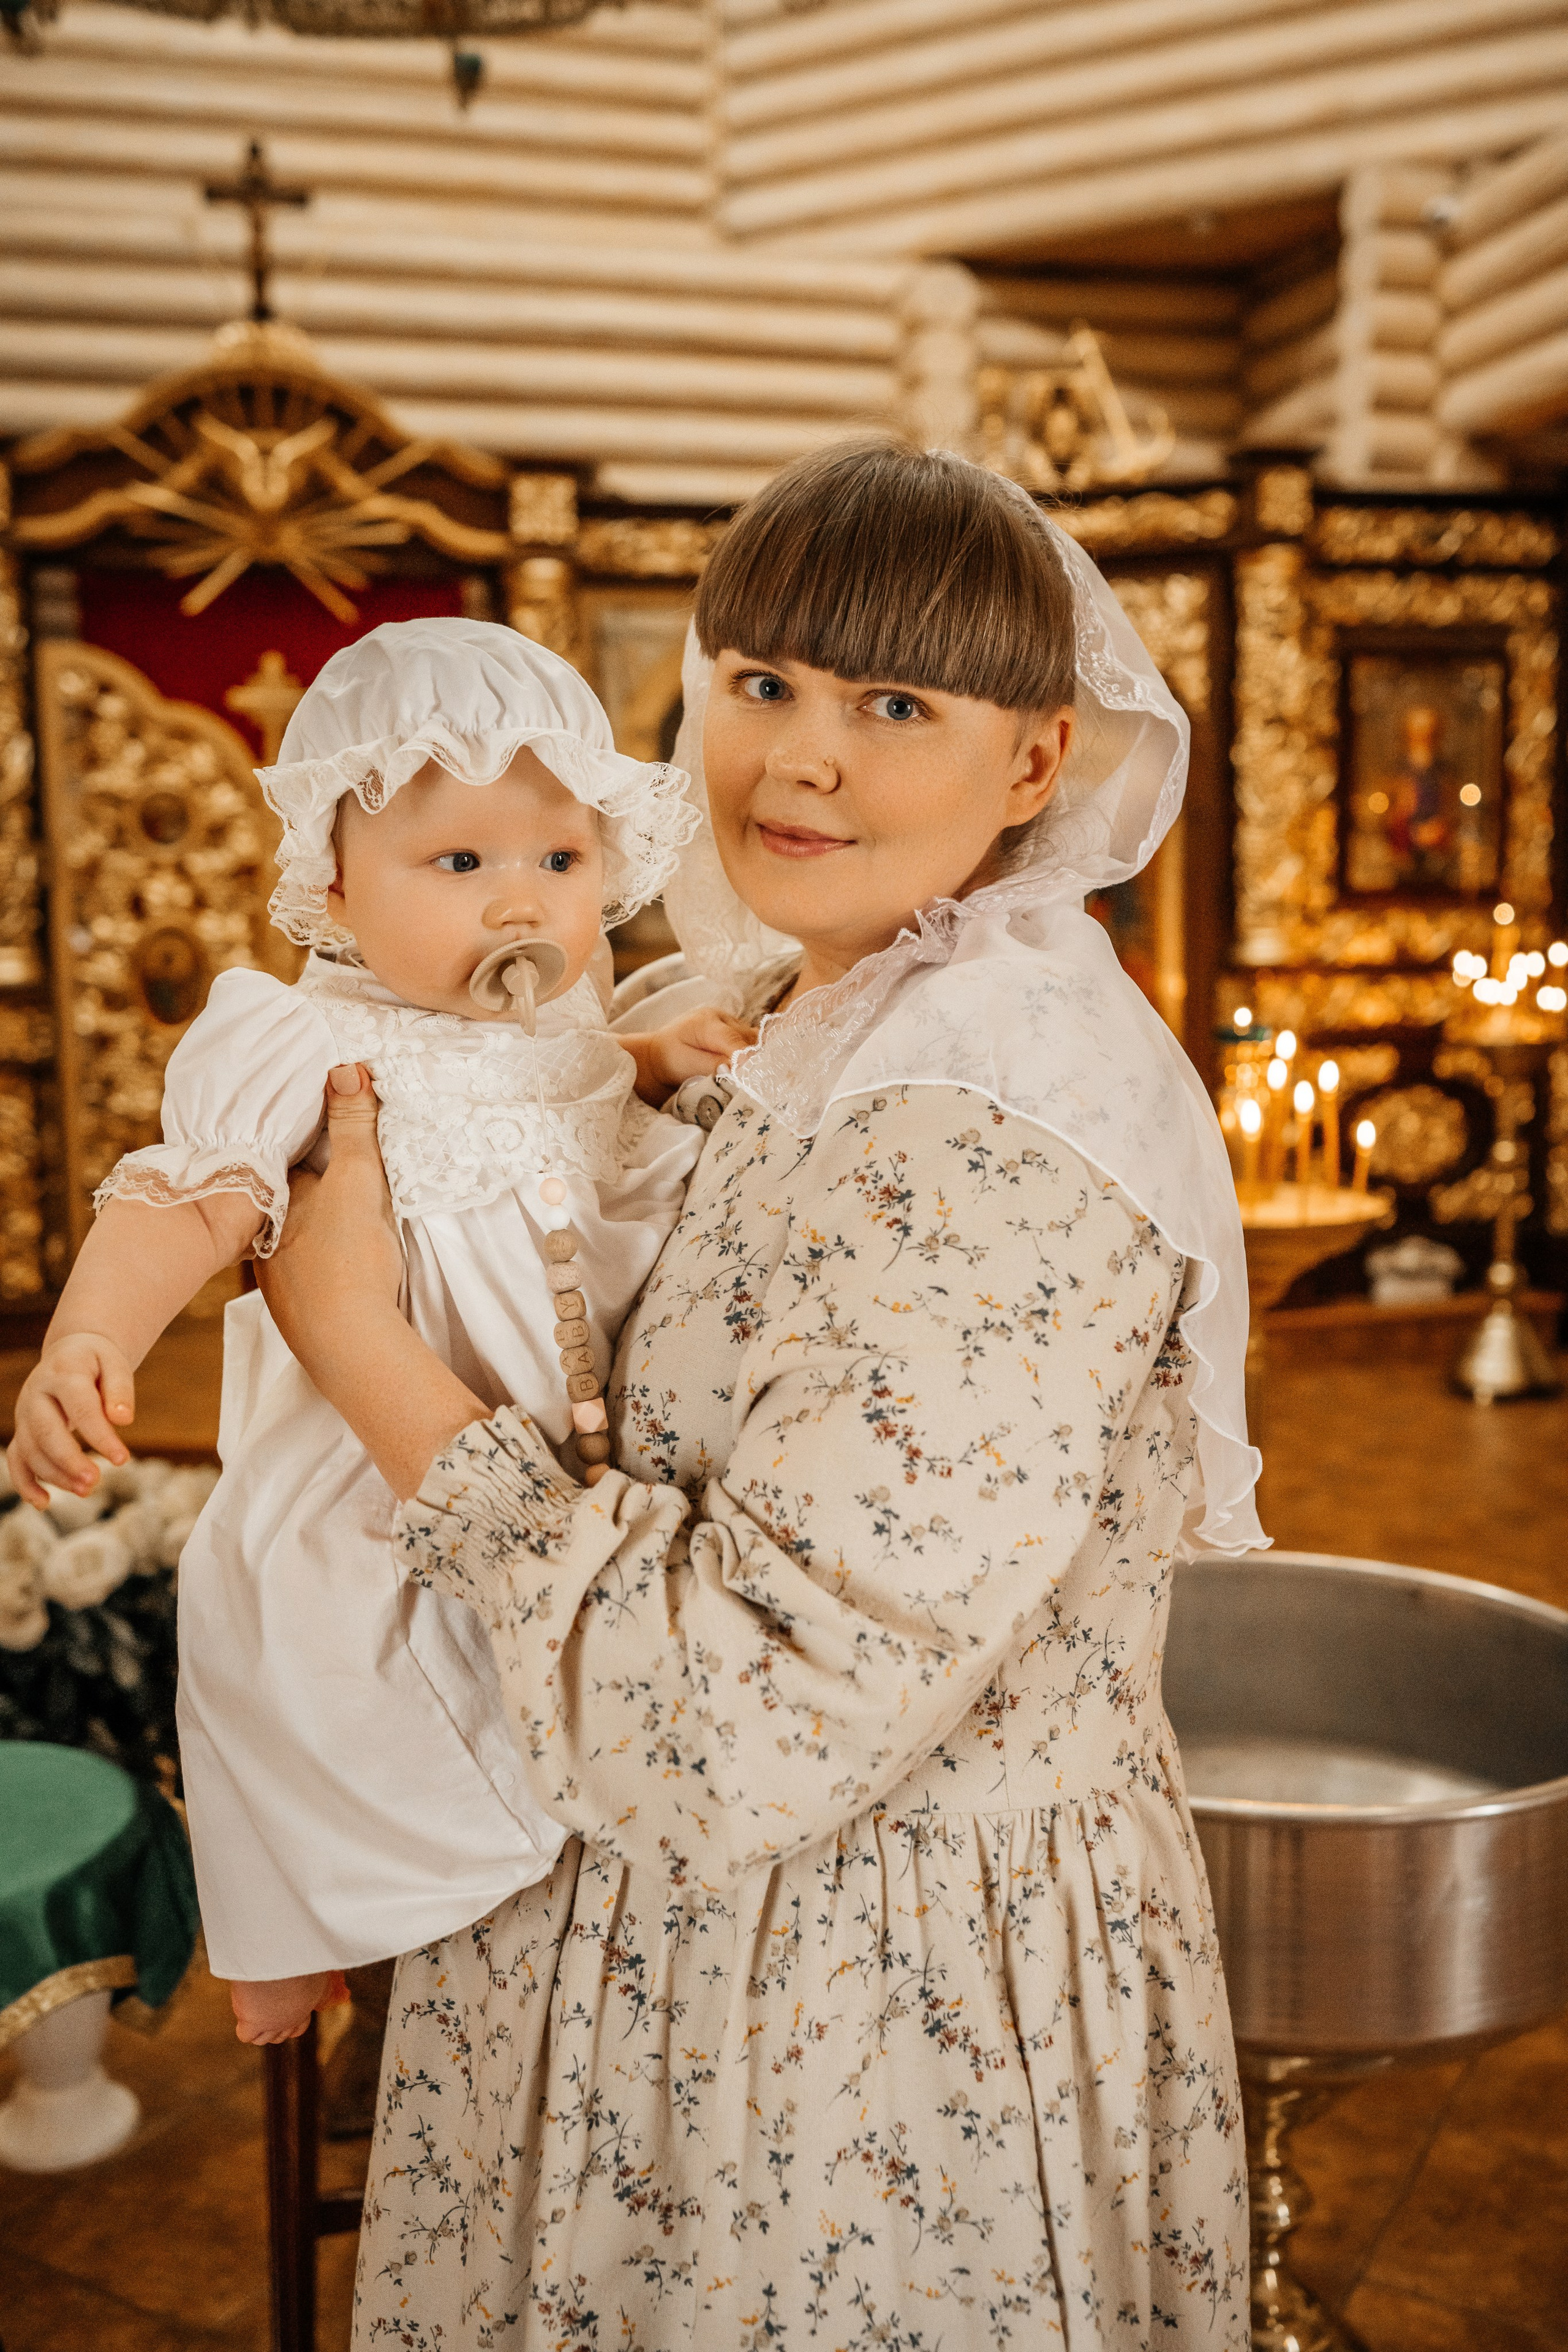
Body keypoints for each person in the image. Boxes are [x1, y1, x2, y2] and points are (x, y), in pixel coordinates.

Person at [258, 445, 1262, 2346]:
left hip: (851, 2039)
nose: (801, 761)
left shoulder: (988, 1128)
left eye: (896, 705)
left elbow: (742, 1723)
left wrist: (360, 1347)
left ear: (1036, 761)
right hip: (719, 1964)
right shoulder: (836, 1003)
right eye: (764, 682)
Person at [6, 620, 750, 2047]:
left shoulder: (567, 1018)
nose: (517, 900)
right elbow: (193, 1196)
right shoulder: (309, 1042)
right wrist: (89, 1335)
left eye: (560, 858)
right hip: (385, 1447)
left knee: (544, 1672)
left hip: (549, 1456)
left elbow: (577, 1084)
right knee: (306, 1637)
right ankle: (299, 1922)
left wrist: (649, 1060)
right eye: (458, 862)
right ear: (336, 883)